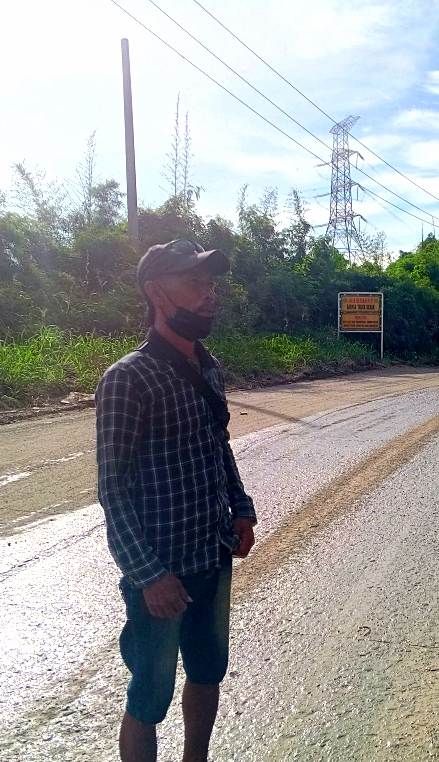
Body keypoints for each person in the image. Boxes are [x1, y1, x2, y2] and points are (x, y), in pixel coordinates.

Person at [96, 239, 257, 762]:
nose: (209, 294)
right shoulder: (127, 379)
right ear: (156, 293)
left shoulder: (208, 367)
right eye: (193, 283)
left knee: (208, 672)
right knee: (149, 696)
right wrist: (148, 576)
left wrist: (241, 508)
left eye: (209, 284)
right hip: (161, 574)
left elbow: (218, 446)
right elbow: (112, 489)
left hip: (212, 556)